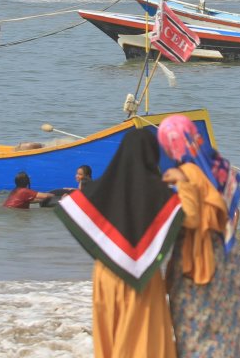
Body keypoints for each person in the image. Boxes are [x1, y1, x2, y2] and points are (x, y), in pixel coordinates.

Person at [53, 128, 181, 358]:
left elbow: (73, 208)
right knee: (146, 339)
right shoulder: (162, 194)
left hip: (106, 272)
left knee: (110, 338)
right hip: (145, 275)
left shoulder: (97, 189)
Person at [157, 114, 240, 357]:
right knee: (229, 327)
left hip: (198, 262)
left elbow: (191, 218)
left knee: (196, 332)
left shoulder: (185, 173)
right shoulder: (219, 166)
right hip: (227, 257)